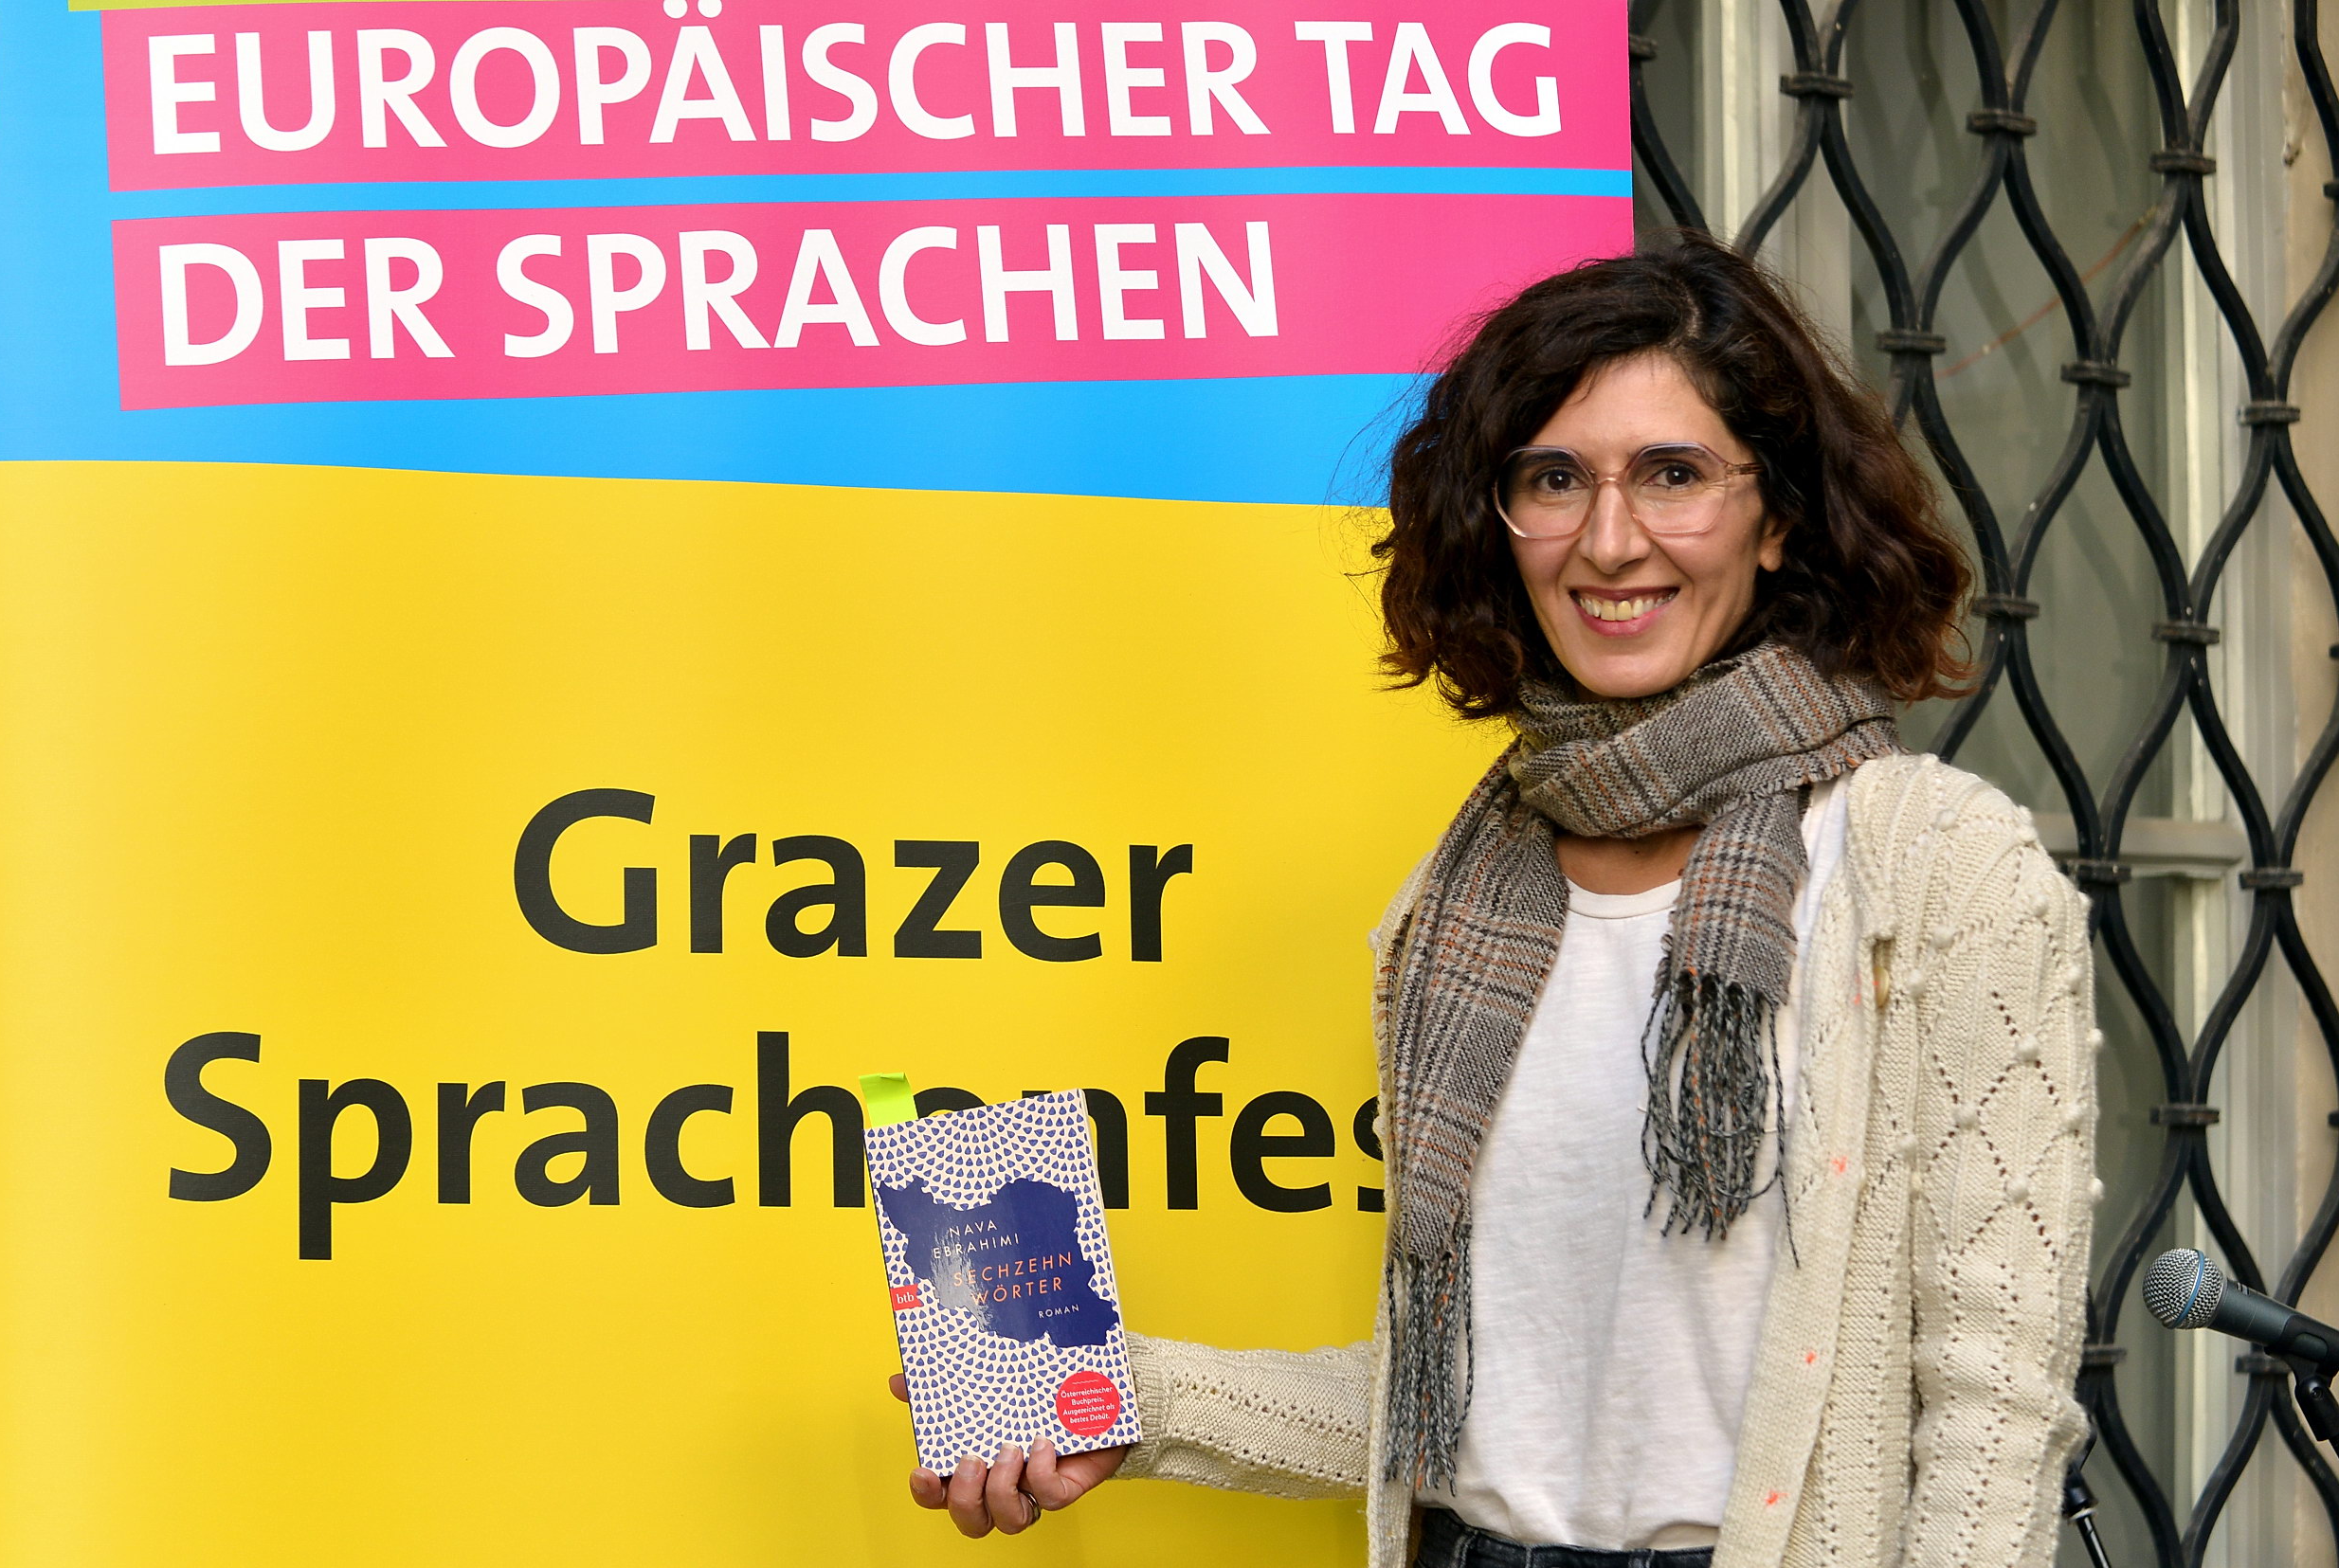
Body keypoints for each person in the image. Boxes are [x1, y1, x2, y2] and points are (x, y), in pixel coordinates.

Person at [890, 231, 2100, 1568]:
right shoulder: (1471, 888)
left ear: (1780, 522)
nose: (1610, 540)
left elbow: (1993, 1410)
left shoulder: (1933, 869)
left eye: (1676, 474)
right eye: (1553, 479)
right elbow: (1468, 1405)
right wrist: (1127, 1400)